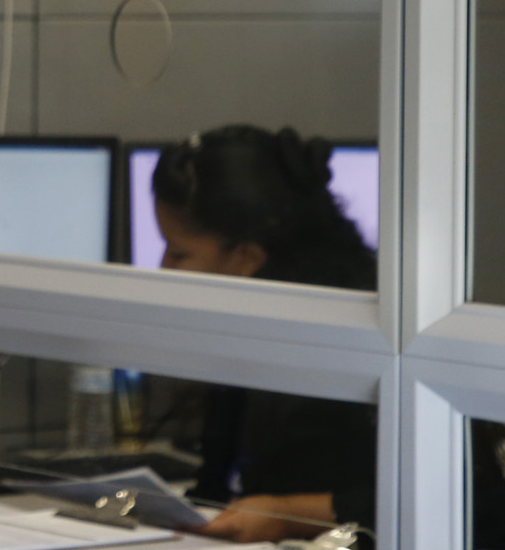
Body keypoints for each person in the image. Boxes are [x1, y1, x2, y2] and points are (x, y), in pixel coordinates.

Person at [150, 125, 378, 544]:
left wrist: (285, 515)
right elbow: (218, 490)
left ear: (246, 258)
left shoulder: (355, 340)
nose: (163, 269)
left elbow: (465, 501)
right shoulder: (246, 338)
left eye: (178, 253)